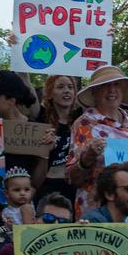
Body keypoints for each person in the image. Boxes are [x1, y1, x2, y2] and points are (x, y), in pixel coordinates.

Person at [66, 66, 128, 218]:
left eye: (116, 84)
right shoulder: (84, 123)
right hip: (95, 209)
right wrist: (88, 157)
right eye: (105, 86)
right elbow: (71, 178)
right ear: (94, 92)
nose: (111, 90)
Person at [34, 74, 81, 204]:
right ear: (49, 94)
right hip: (48, 186)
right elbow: (29, 95)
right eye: (60, 87)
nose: (66, 90)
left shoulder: (81, 119)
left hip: (74, 186)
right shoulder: (42, 118)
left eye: (70, 87)